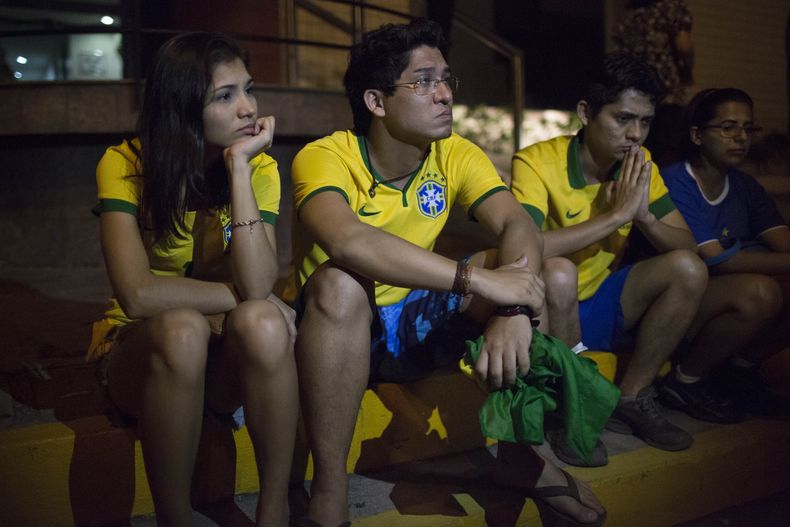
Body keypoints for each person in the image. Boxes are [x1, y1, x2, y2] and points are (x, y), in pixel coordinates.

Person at [291, 18, 606, 527]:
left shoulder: (454, 152)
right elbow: (348, 241)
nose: (443, 95)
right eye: (422, 82)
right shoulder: (325, 157)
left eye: (445, 80)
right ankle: (328, 489)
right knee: (338, 281)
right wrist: (478, 282)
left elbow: (517, 223)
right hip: (343, 331)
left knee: (539, 267)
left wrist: (511, 306)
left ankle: (523, 453)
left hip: (418, 320)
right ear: (376, 102)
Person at [87, 33, 298, 527]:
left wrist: (240, 172)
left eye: (249, 90)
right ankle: (174, 516)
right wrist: (241, 299)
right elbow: (138, 294)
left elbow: (260, 280)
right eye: (224, 96)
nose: (247, 108)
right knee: (184, 327)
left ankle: (274, 510)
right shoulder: (126, 165)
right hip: (144, 357)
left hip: (221, 364)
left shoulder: (258, 167)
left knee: (263, 322)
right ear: (183, 106)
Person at [511, 53, 709, 453]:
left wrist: (645, 219)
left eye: (646, 122)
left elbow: (689, 247)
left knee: (687, 268)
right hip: (548, 310)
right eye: (622, 119)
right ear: (586, 113)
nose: (636, 134)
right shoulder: (536, 162)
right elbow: (522, 246)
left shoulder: (639, 164)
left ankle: (633, 397)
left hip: (601, 305)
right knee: (559, 271)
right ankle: (568, 410)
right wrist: (615, 215)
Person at [660, 88, 790, 419]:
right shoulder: (677, 181)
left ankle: (739, 369)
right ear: (697, 135)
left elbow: (782, 243)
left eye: (748, 128)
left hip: (718, 294)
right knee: (761, 292)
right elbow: (719, 260)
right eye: (728, 127)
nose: (741, 138)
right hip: (673, 299)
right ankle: (685, 379)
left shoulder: (745, 186)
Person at [613, 0, 694, 166]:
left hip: (634, 97)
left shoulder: (627, 17)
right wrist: (688, 70)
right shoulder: (671, 8)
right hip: (667, 93)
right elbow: (684, 46)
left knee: (639, 152)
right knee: (670, 152)